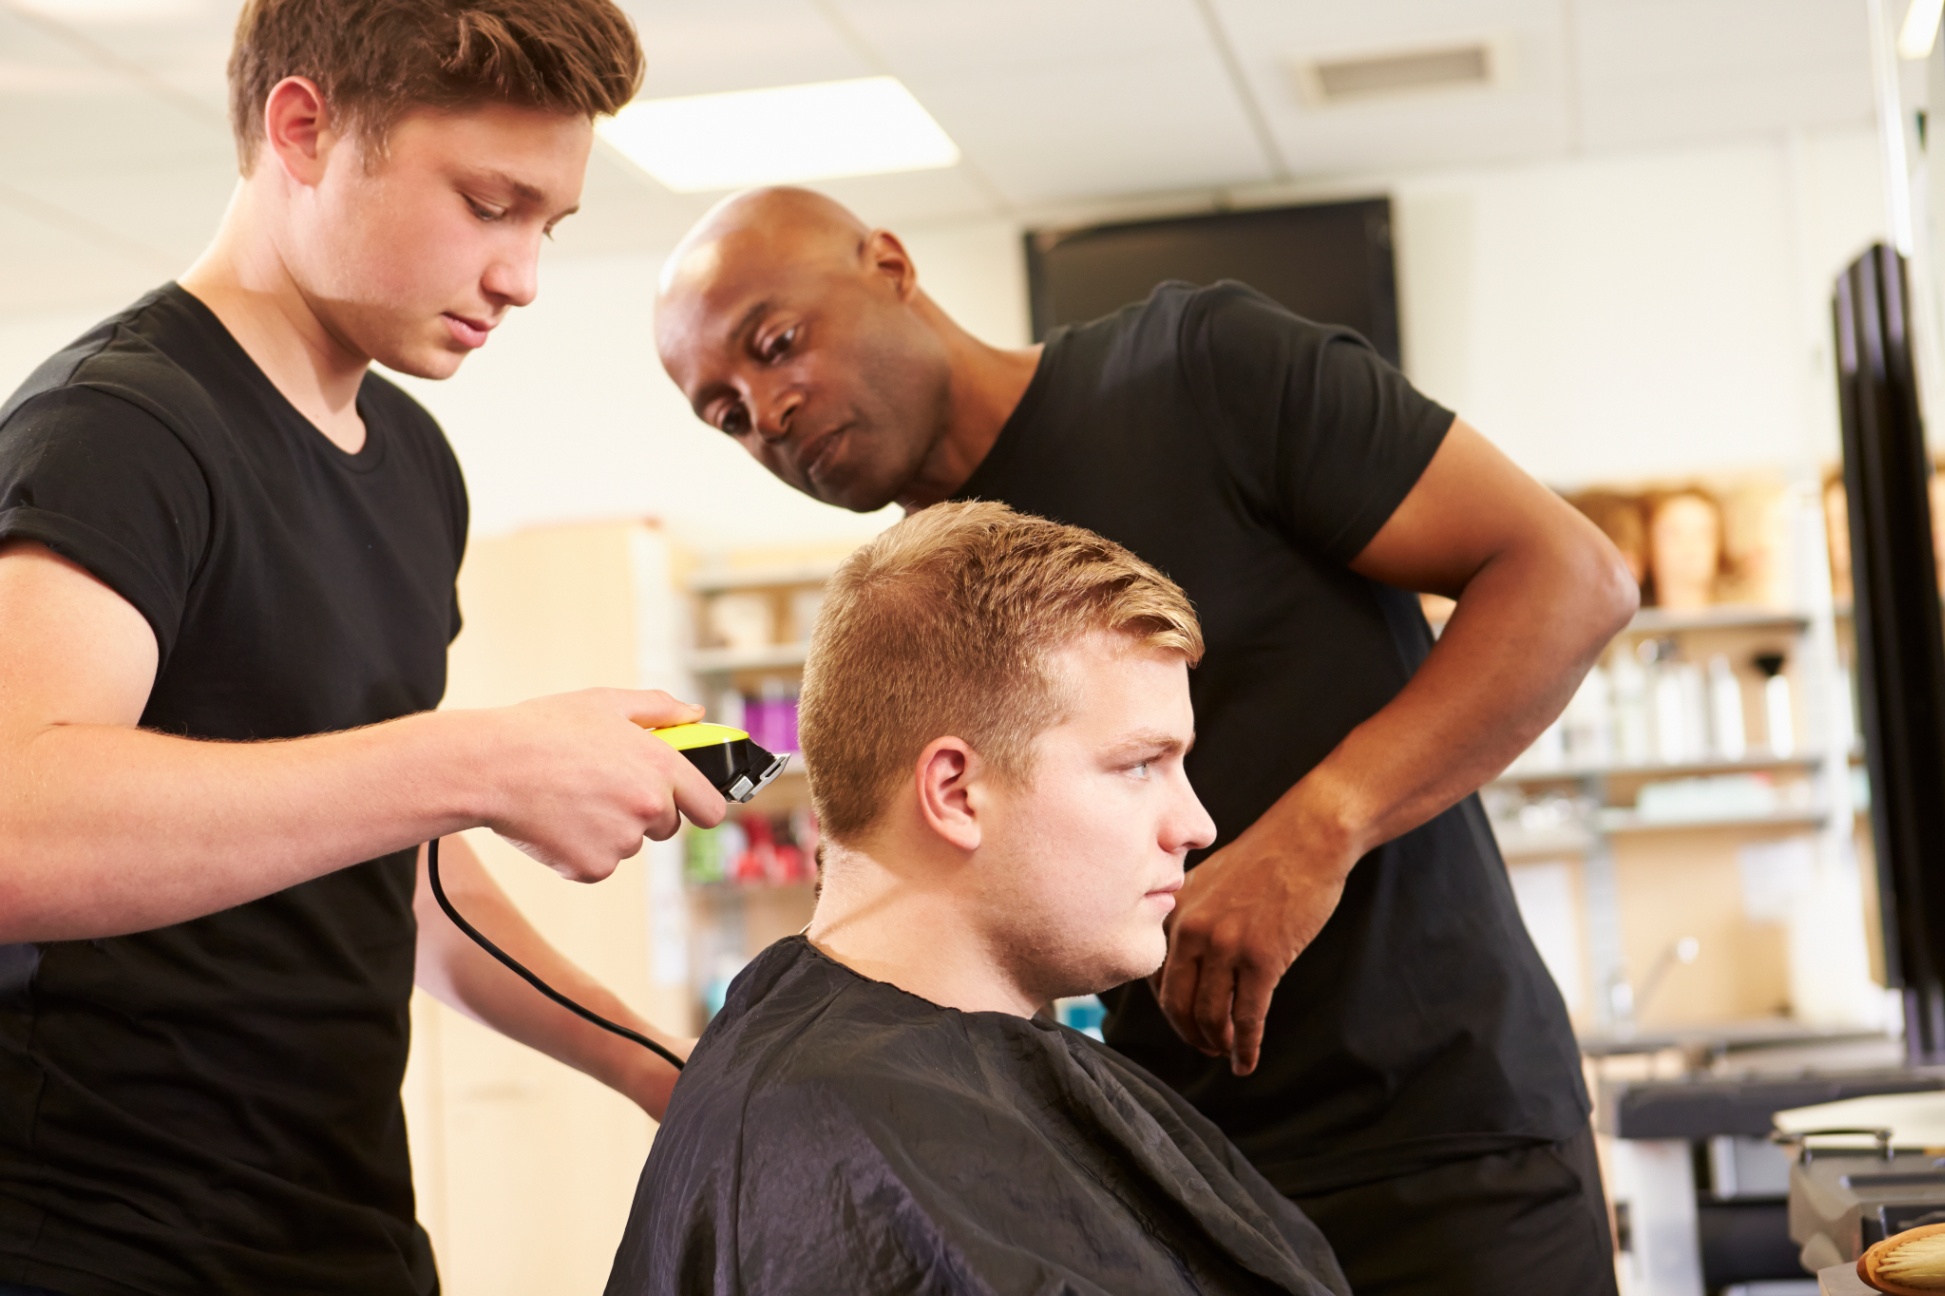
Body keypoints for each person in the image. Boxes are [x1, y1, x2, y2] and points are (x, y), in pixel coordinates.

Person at [652, 187, 1641, 1294]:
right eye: (726, 414)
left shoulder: (1201, 368)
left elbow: (1573, 578)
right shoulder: (929, 591)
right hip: (1184, 1165)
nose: (769, 413)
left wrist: (1315, 832)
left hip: (1445, 1136)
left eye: (777, 345)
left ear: (888, 264)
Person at [0, 4, 727, 1294]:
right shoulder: (114, 431)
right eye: (488, 206)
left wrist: (662, 1069)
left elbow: (397, 867)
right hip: (98, 1246)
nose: (522, 277)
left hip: (342, 1233)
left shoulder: (414, 466)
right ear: (303, 130)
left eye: (548, 226)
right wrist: (481, 761)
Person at [608, 501, 1351, 1296]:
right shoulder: (830, 1146)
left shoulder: (879, 1083)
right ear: (956, 793)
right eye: (1139, 765)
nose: (1196, 825)